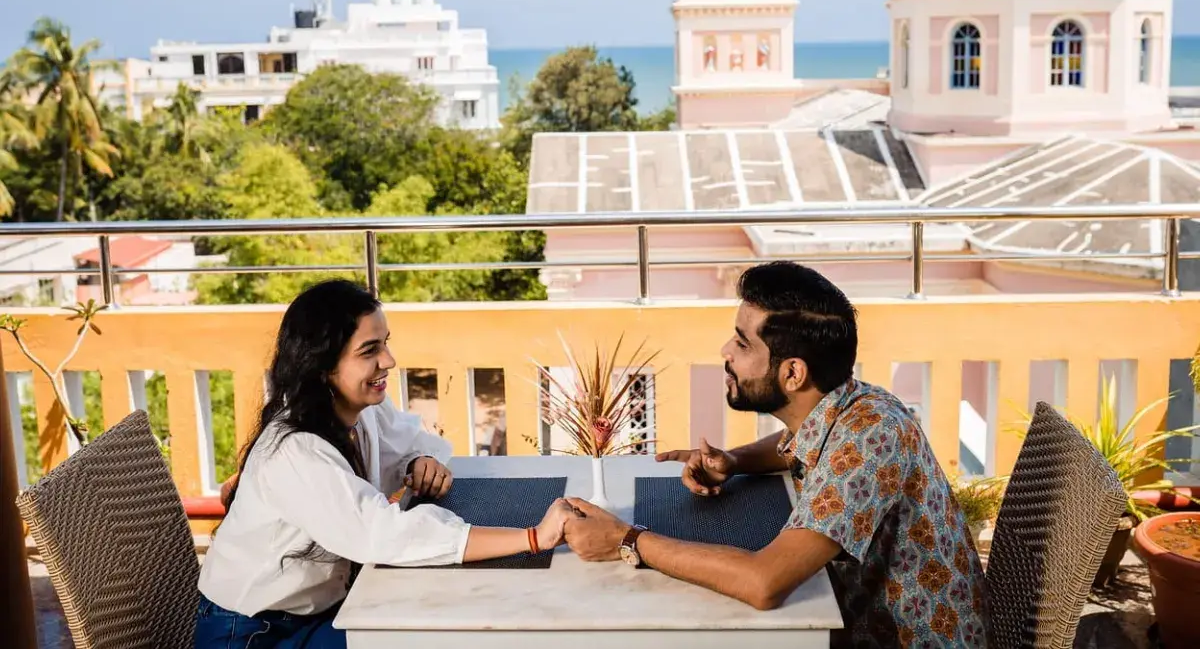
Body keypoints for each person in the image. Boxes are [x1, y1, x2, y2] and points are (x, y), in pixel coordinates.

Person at [562, 262, 992, 648]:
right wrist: (734, 461)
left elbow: (764, 583)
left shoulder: (872, 437)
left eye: (742, 344)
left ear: (792, 373)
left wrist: (626, 540)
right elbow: (808, 442)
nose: (726, 352)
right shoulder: (852, 405)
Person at [196, 280, 577, 649]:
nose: (389, 361)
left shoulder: (359, 409)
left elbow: (408, 439)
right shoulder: (296, 450)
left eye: (386, 343)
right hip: (255, 633)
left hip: (322, 610)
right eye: (369, 350)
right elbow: (383, 535)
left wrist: (420, 460)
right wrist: (532, 538)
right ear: (322, 365)